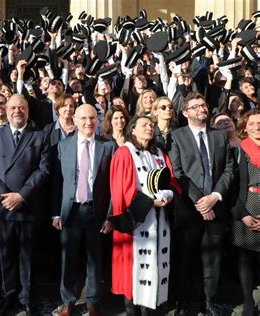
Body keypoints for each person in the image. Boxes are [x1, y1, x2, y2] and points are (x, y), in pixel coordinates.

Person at [0, 94, 50, 316]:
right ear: (6, 110)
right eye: (13, 107)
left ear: (28, 111)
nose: (17, 111)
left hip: (27, 205)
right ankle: (8, 295)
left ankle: (26, 298)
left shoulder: (40, 136)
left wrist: (21, 195)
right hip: (3, 206)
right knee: (5, 255)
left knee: (27, 255)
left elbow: (44, 169)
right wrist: (5, 196)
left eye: (21, 107)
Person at [168, 92, 234, 315]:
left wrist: (214, 196)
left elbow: (228, 169)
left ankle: (209, 302)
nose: (201, 109)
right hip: (189, 209)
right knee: (185, 259)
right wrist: (199, 201)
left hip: (216, 207)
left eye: (203, 105)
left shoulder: (219, 136)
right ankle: (185, 303)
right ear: (185, 112)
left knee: (212, 260)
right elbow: (177, 173)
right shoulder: (176, 136)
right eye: (195, 107)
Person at [110, 115, 180, 314]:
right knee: (133, 271)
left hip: (160, 218)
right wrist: (150, 202)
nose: (149, 127)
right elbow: (122, 190)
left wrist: (166, 194)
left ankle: (150, 308)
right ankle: (132, 310)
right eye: (144, 125)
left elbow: (171, 180)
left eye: (151, 125)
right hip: (136, 221)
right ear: (132, 130)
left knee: (155, 266)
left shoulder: (159, 153)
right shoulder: (125, 153)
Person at [52, 104, 115, 316]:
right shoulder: (64, 146)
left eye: (92, 118)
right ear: (76, 121)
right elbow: (57, 182)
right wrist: (56, 212)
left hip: (96, 212)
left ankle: (92, 304)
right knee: (68, 261)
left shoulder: (108, 146)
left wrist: (109, 216)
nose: (89, 122)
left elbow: (114, 186)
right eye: (84, 119)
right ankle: (67, 303)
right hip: (70, 212)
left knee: (95, 262)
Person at [231, 109, 260, 316]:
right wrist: (242, 214)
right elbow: (233, 185)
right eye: (252, 123)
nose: (257, 126)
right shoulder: (239, 149)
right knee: (246, 258)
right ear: (245, 127)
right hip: (246, 206)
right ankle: (248, 301)